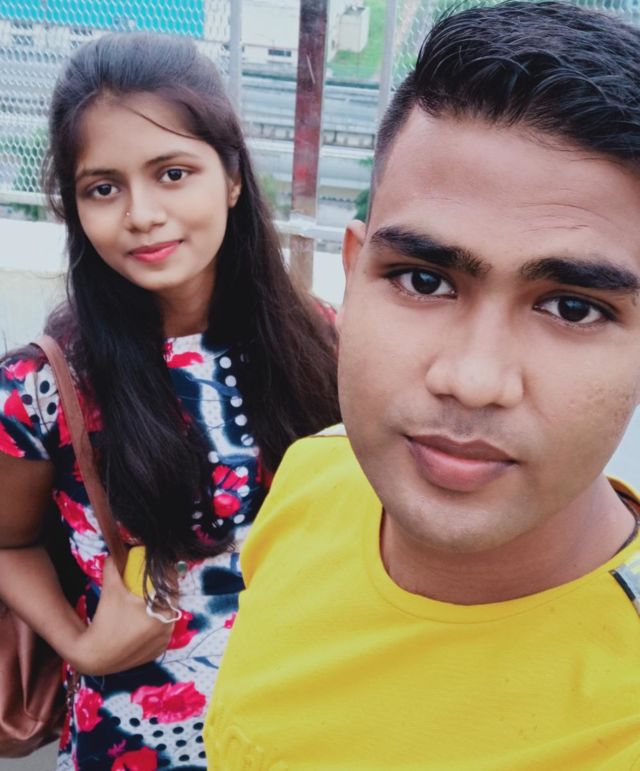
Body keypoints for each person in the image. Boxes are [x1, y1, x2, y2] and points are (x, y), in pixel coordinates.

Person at [205, 2, 640, 768]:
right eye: (424, 280)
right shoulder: (315, 474)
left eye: (573, 307)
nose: (471, 380)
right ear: (351, 275)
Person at [0, 32, 339, 771]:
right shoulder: (41, 387)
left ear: (233, 177)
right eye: (103, 188)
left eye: (173, 173)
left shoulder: (327, 346)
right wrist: (81, 643)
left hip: (299, 729)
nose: (142, 214)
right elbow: (8, 540)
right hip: (129, 742)